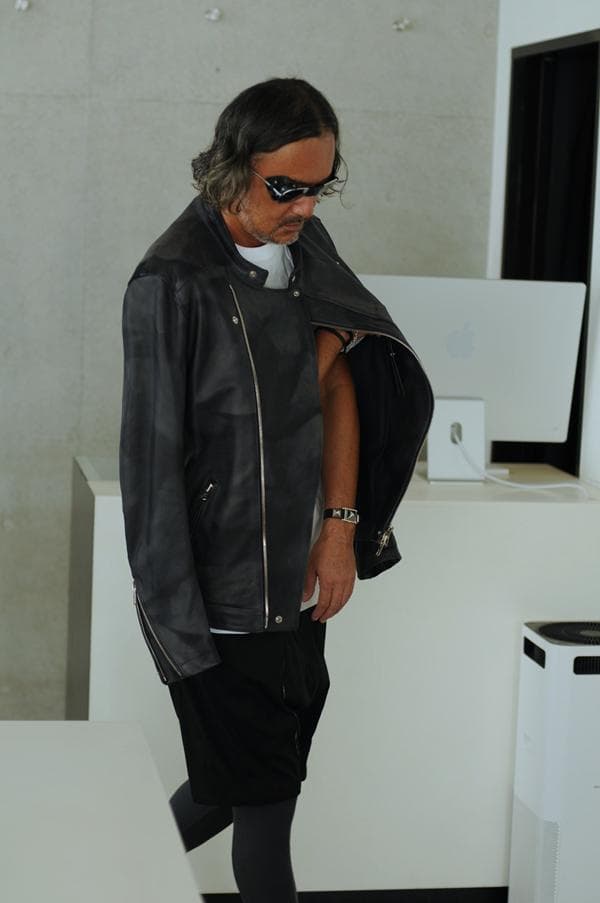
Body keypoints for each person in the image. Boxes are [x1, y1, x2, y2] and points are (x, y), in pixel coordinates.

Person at [119, 77, 432, 902]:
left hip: (296, 586)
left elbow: (337, 386)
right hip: (222, 603)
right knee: (266, 814)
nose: (306, 207)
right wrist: (178, 639)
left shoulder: (305, 246)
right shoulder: (171, 280)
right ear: (233, 167)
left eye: (321, 186)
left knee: (233, 788)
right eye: (286, 187)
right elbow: (150, 468)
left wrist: (341, 527)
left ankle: (89, 868)